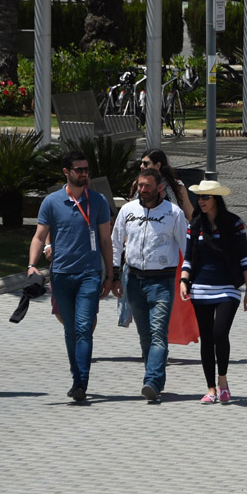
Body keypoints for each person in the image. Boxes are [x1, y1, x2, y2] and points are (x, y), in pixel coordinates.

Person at [28, 151, 113, 402]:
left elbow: (106, 240)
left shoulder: (97, 201)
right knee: (70, 331)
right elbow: (38, 236)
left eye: (87, 169)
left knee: (84, 328)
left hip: (89, 274)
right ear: (66, 172)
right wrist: (32, 265)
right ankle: (76, 376)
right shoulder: (51, 202)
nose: (84, 173)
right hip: (61, 274)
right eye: (79, 170)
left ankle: (81, 382)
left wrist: (111, 273)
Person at [110, 168, 189, 401]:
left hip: (162, 281)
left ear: (159, 188)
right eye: (140, 185)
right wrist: (115, 275)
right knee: (145, 335)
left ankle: (151, 381)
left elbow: (186, 246)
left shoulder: (173, 214)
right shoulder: (128, 210)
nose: (142, 190)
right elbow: (115, 245)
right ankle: (155, 377)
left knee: (158, 333)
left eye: (147, 186)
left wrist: (189, 276)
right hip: (134, 280)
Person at [181, 180, 247, 404]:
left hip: (228, 289)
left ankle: (222, 380)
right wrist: (184, 280)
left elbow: (244, 258)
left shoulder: (234, 224)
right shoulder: (195, 225)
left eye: (206, 197)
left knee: (219, 334)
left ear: (216, 199)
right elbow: (189, 257)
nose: (200, 201)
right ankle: (211, 389)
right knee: (206, 339)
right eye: (199, 197)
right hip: (201, 289)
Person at [136, 149, 193, 221]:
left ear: (158, 165)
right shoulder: (137, 185)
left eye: (145, 163)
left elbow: (190, 215)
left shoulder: (176, 187)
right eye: (141, 163)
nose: (141, 166)